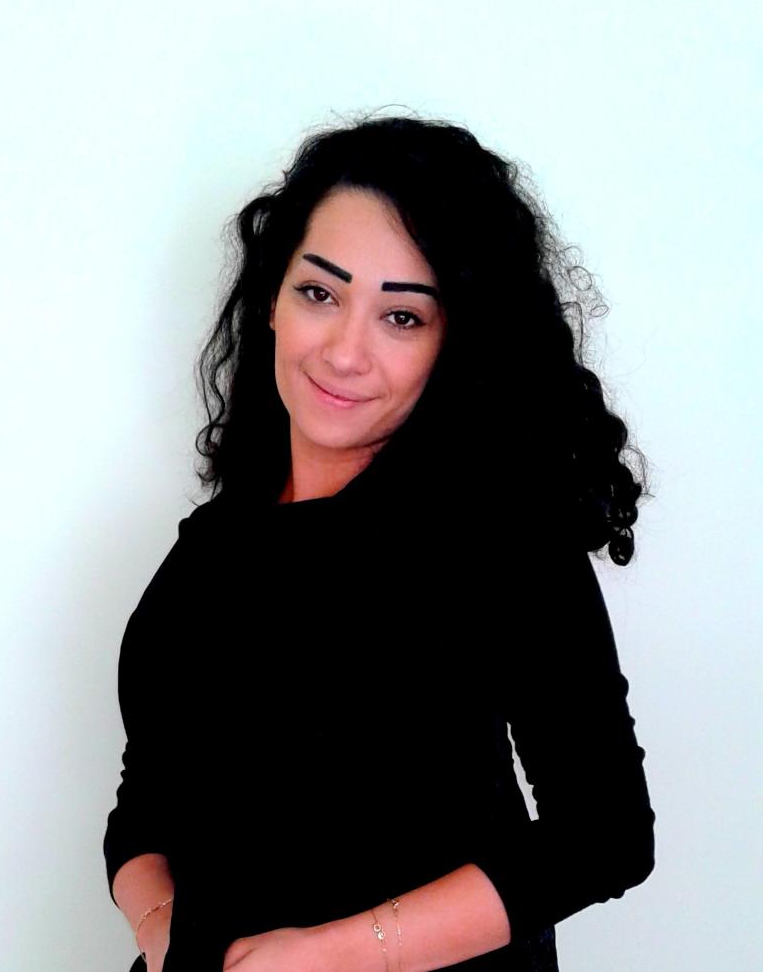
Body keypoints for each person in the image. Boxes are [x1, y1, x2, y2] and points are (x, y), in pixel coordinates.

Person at [103, 113, 657, 972]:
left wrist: (333, 956)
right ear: (272, 300)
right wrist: (162, 927)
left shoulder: (502, 539)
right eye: (319, 294)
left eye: (402, 317)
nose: (345, 352)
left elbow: (604, 834)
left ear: (453, 341)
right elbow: (148, 801)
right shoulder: (208, 548)